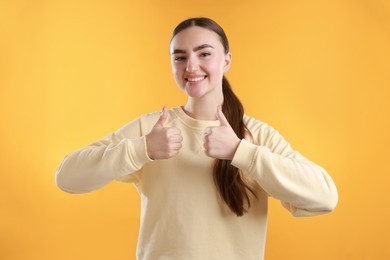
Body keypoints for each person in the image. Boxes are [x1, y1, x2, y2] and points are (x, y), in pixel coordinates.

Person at [55, 17, 338, 260]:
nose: (191, 66)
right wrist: (141, 150)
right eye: (180, 57)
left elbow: (324, 198)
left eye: (204, 54)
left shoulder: (256, 135)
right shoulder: (152, 129)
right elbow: (67, 177)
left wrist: (242, 152)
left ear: (226, 60)